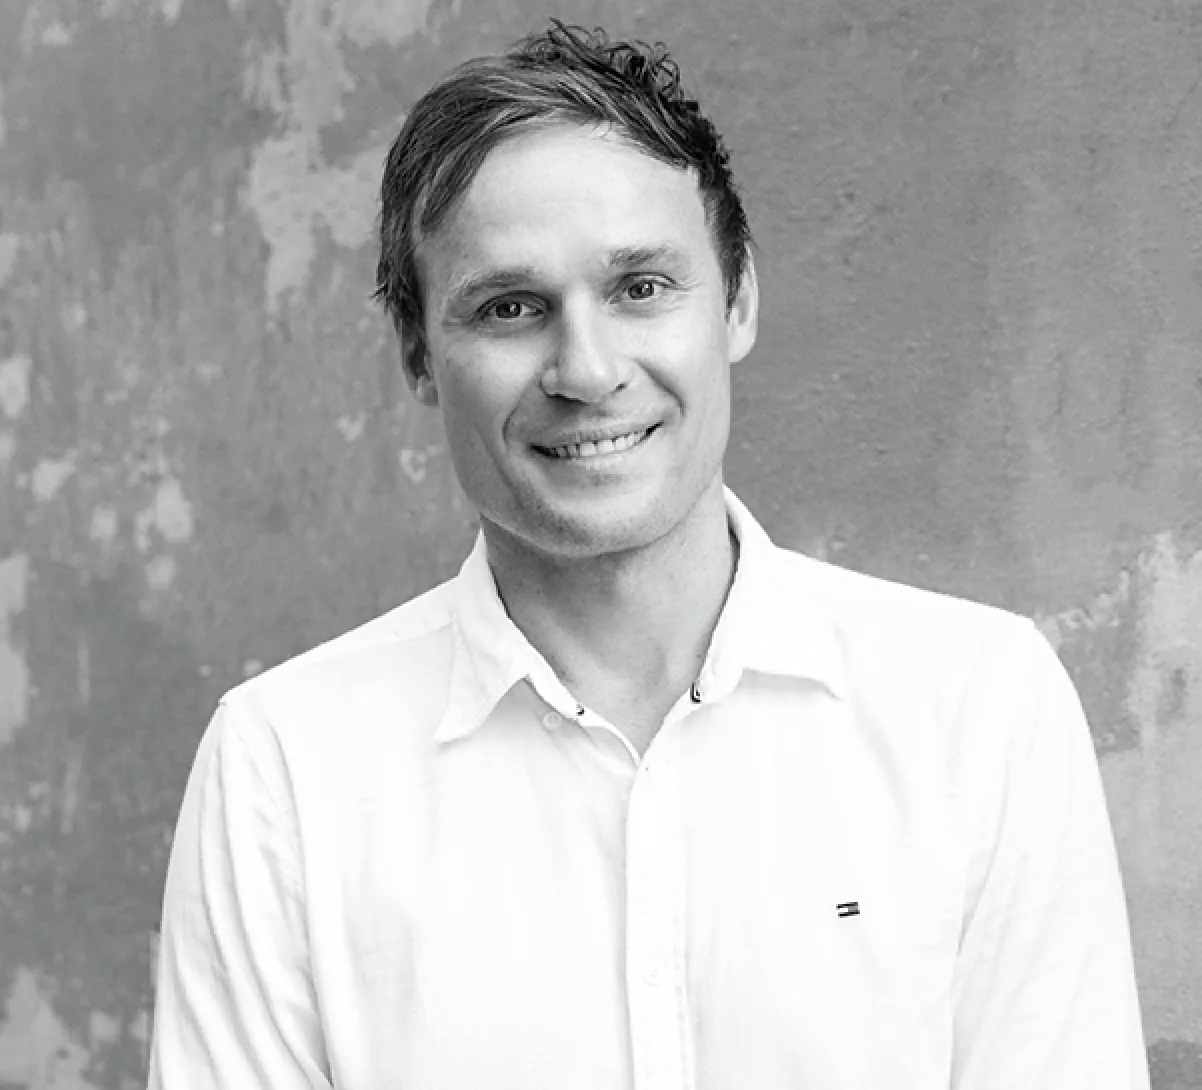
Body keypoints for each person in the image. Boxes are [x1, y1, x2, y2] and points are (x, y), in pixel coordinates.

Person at [147, 21, 1150, 1090]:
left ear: (738, 301)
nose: (585, 369)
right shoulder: (284, 768)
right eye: (509, 307)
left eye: (639, 288)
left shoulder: (977, 708)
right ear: (418, 357)